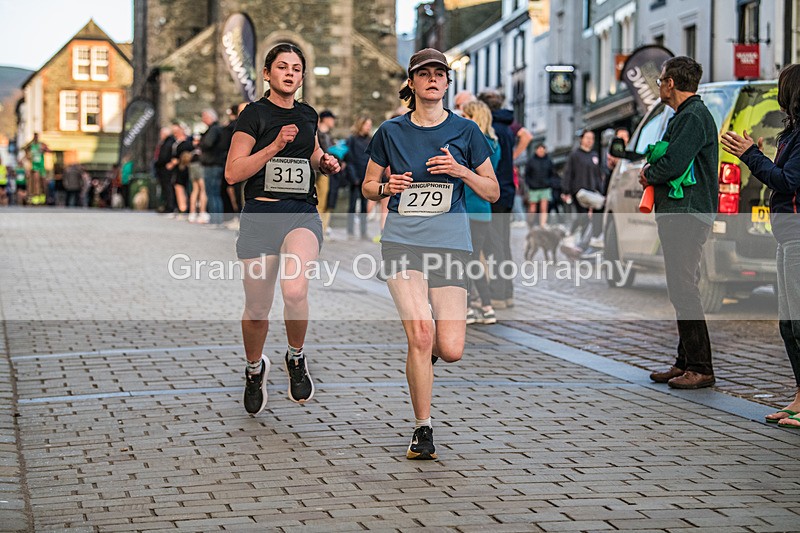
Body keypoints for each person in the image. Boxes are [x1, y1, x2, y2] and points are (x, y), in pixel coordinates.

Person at [362, 48, 499, 459]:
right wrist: (388, 187)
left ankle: (424, 359)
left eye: (440, 73)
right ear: (413, 82)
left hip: (450, 244)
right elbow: (368, 185)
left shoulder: (467, 131)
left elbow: (492, 191)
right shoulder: (390, 131)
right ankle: (423, 428)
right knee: (421, 335)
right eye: (425, 74)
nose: (433, 80)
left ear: (447, 82)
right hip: (403, 240)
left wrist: (461, 171)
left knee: (451, 347)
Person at [224, 43, 340, 416]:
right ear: (267, 74)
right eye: (282, 67)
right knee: (258, 309)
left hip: (300, 214)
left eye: (296, 68)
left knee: (294, 288)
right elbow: (233, 172)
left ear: (302, 76)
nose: (290, 73)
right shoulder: (253, 115)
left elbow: (312, 152)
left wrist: (325, 163)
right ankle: (255, 368)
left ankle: (295, 356)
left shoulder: (308, 115)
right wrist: (274, 145)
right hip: (260, 216)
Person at [721, 63, 800, 424]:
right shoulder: (791, 134)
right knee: (787, 325)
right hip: (785, 235)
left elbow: (786, 181)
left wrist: (751, 154)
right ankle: (799, 396)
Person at [642, 56, 719, 390]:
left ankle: (701, 367)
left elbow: (673, 164)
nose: (658, 84)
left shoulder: (692, 117)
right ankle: (684, 362)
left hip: (686, 212)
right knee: (681, 286)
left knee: (683, 287)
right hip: (682, 211)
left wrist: (648, 174)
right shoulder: (686, 116)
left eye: (660, 80)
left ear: (671, 83)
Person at [478, 89, 532, 309]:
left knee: (494, 242)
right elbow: (526, 136)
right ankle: (507, 292)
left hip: (495, 189)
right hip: (508, 188)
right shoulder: (509, 125)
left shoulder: (491, 129)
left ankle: (497, 293)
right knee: (504, 242)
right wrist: (513, 158)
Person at [461, 99, 501, 325]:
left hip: (466, 206)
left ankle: (470, 307)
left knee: (465, 260)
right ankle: (486, 307)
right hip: (484, 210)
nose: (463, 121)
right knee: (474, 259)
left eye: (467, 117)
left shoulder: (472, 143)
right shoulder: (495, 143)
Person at [560, 130, 602, 258]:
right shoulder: (575, 155)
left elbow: (598, 175)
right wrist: (565, 190)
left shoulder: (595, 155)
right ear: (581, 139)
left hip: (592, 192)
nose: (590, 140)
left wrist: (600, 190)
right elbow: (568, 173)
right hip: (578, 192)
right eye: (587, 137)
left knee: (590, 218)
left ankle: (582, 246)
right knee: (582, 216)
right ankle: (572, 237)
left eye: (592, 138)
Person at [344, 115, 373, 239]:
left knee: (364, 207)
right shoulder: (352, 139)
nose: (369, 127)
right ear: (361, 125)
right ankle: (350, 232)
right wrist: (354, 177)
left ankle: (363, 232)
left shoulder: (370, 140)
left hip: (366, 176)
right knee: (352, 205)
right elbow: (349, 159)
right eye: (367, 124)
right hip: (354, 177)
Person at [200, 109, 225, 225]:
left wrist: (201, 142)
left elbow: (208, 144)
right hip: (213, 163)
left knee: (213, 193)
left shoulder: (214, 129)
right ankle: (216, 219)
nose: (203, 119)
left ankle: (215, 220)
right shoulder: (215, 129)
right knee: (213, 193)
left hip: (213, 164)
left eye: (204, 116)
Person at [524, 144, 556, 227]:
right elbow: (526, 175)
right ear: (536, 150)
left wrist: (549, 183)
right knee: (532, 209)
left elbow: (552, 174)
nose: (541, 151)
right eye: (539, 149)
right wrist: (530, 184)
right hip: (533, 188)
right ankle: (530, 223)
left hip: (545, 187)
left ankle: (542, 224)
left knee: (544, 208)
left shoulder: (548, 161)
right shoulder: (531, 161)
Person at [316, 110, 336, 234]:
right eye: (332, 118)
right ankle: (318, 227)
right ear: (326, 119)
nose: (333, 121)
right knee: (320, 200)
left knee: (328, 200)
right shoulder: (317, 133)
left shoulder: (329, 135)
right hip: (319, 172)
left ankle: (323, 227)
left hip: (329, 172)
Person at [154, 127, 176, 213]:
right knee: (166, 188)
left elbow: (164, 156)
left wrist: (158, 163)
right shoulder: (166, 142)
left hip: (165, 168)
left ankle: (169, 206)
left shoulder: (168, 143)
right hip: (162, 167)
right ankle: (167, 205)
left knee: (168, 188)